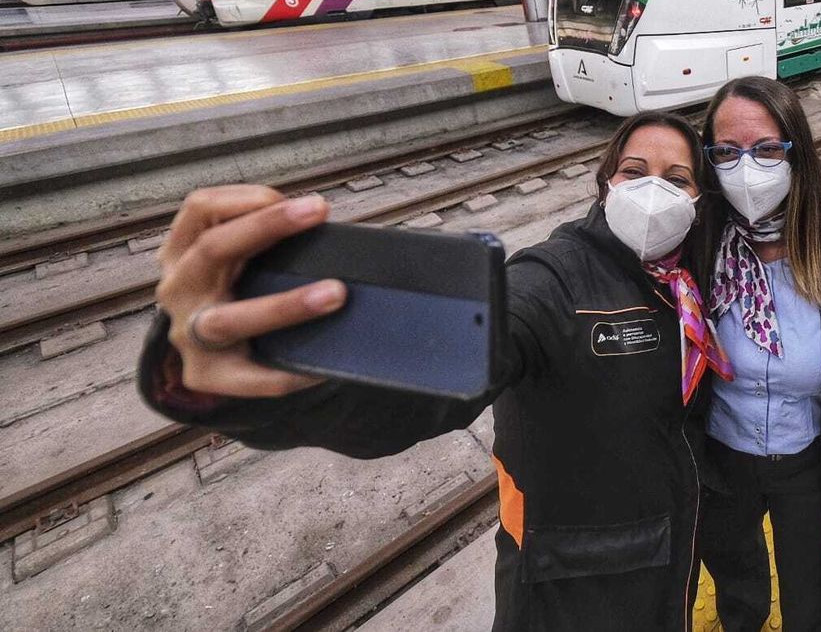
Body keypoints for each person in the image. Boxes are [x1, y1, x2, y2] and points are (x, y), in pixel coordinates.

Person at [137, 112, 732, 631]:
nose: (653, 190)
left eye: (677, 179)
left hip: (670, 563)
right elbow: (440, 379)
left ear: (699, 201)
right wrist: (277, 374)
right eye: (634, 171)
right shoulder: (550, 281)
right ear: (605, 185)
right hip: (572, 588)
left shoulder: (691, 282)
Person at [691, 76, 821, 632]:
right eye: (727, 151)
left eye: (767, 149)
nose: (746, 168)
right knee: (735, 582)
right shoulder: (698, 240)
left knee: (813, 594)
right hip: (722, 458)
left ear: (797, 151)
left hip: (810, 460)